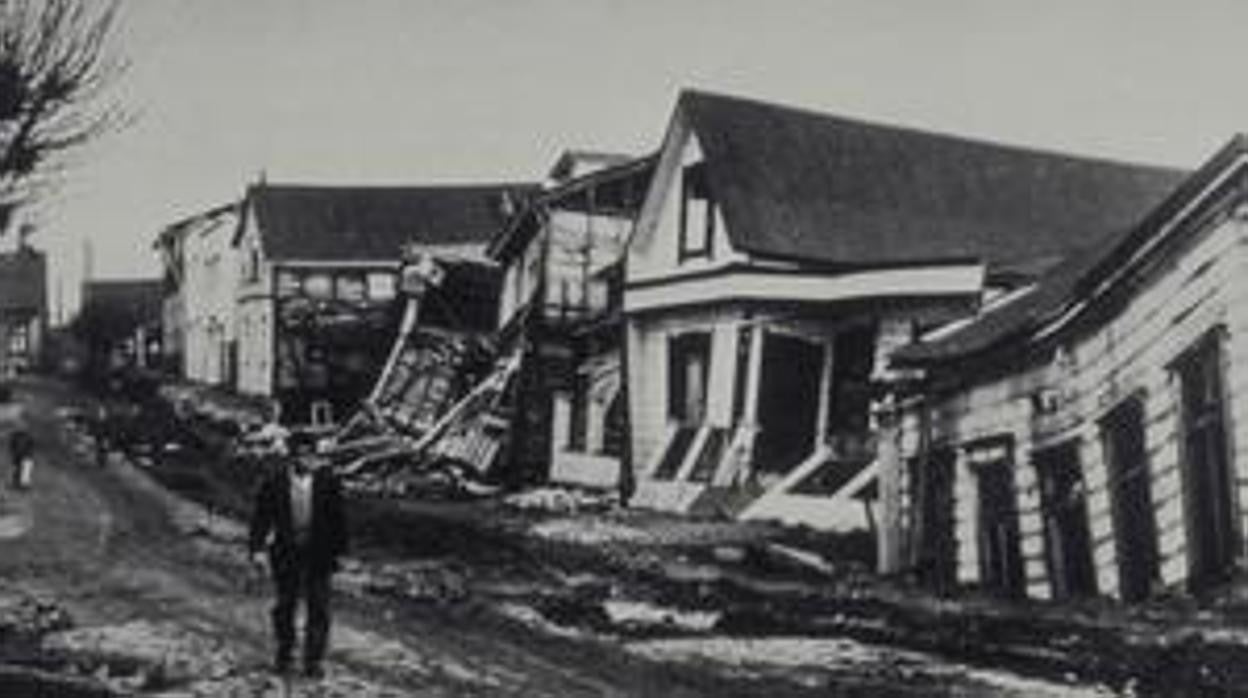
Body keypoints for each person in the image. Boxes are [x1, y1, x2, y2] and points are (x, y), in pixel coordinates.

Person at [248, 432, 348, 678]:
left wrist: (340, 552)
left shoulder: (328, 482)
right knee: (285, 606)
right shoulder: (274, 482)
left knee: (319, 608)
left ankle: (313, 661)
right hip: (286, 552)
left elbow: (339, 520)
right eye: (302, 454)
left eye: (311, 454)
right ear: (292, 457)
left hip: (318, 554)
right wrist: (257, 550)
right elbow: (260, 519)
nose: (308, 459)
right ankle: (284, 654)